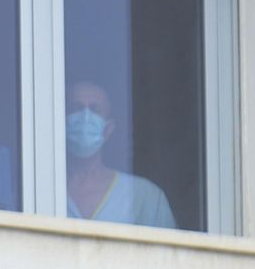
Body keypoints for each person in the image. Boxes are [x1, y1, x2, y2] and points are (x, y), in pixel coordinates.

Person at [63, 81, 177, 229]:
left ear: (108, 128)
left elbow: (167, 251)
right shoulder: (41, 190)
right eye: (76, 108)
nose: (85, 117)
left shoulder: (144, 196)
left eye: (95, 109)